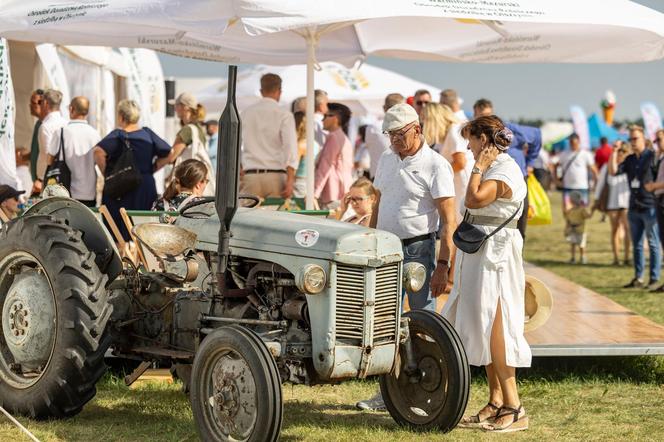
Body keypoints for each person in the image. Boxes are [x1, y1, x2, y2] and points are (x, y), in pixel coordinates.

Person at [356, 103, 456, 412]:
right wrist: (369, 239)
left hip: (418, 248)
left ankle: (431, 387)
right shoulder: (387, 158)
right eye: (390, 135)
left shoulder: (436, 165)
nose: (395, 142)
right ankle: (389, 392)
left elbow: (449, 220)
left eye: (400, 135)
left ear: (418, 130)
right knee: (386, 320)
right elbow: (379, 202)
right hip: (385, 248)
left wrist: (443, 266)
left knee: (423, 321)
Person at [443, 115, 530, 433]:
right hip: (480, 254)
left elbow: (474, 199)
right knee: (483, 323)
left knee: (498, 325)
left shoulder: (503, 169)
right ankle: (495, 400)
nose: (467, 145)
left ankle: (514, 406)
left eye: (471, 139)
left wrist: (477, 167)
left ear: (484, 139)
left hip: (497, 258)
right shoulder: (495, 167)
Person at [94, 99, 172, 240]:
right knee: (143, 227)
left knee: (117, 229)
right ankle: (140, 257)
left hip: (120, 186)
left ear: (121, 116)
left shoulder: (118, 135)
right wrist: (152, 168)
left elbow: (98, 152)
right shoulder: (147, 134)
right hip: (144, 185)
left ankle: (124, 255)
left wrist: (107, 173)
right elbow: (169, 153)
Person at [473, 98, 542, 240]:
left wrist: (530, 162)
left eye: (487, 115)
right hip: (489, 175)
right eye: (480, 117)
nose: (484, 120)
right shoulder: (475, 133)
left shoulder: (508, 129)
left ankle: (518, 256)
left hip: (516, 177)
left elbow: (536, 135)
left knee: (519, 220)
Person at [610, 125, 661, 289]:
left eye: (635, 139)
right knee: (637, 244)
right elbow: (613, 172)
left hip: (650, 205)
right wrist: (614, 151)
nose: (632, 142)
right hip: (633, 206)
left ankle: (654, 278)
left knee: (653, 243)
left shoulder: (652, 157)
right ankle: (638, 278)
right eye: (630, 139)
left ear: (643, 139)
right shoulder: (630, 159)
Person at [239, 73, 298, 199]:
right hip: (275, 176)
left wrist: (240, 166)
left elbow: (235, 145)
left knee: (248, 218)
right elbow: (290, 148)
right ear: (279, 91)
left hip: (251, 175)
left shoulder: (245, 113)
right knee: (275, 218)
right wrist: (290, 180)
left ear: (261, 91)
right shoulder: (284, 115)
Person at [420, 102, 473, 219]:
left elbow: (460, 162)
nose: (423, 123)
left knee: (460, 220)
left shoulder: (454, 130)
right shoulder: (450, 131)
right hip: (459, 182)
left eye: (425, 119)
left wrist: (438, 173)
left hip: (463, 183)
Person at [46, 97, 100, 207]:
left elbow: (49, 160)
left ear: (71, 109)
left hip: (66, 190)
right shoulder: (95, 134)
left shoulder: (61, 132)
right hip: (89, 192)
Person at [157, 92, 214, 195]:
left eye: (177, 105)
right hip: (196, 180)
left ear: (186, 107)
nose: (175, 108)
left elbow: (171, 156)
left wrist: (154, 166)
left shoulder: (188, 130)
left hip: (186, 182)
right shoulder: (199, 129)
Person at [594, 142, 631, 265]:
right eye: (619, 153)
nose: (621, 155)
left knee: (627, 229)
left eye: (623, 153)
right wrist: (596, 199)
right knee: (614, 229)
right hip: (612, 202)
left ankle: (626, 257)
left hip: (626, 201)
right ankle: (616, 258)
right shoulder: (607, 166)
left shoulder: (629, 166)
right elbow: (600, 183)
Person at [314, 103, 354, 209]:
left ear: (335, 118)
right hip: (344, 189)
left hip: (334, 192)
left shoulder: (334, 137)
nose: (322, 120)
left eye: (325, 116)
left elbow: (325, 166)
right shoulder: (343, 138)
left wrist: (315, 193)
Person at [364, 93, 404, 179]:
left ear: (384, 108)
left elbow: (368, 146)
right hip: (398, 177)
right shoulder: (407, 128)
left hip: (377, 176)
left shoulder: (372, 128)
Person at [555, 133, 598, 211]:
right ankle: (569, 223)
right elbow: (557, 165)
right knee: (567, 209)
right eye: (571, 143)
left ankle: (578, 223)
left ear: (579, 142)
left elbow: (594, 169)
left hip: (582, 187)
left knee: (582, 210)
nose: (572, 144)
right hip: (568, 186)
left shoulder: (586, 154)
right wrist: (556, 179)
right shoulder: (564, 154)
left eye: (574, 143)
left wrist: (596, 182)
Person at [37, 89, 67, 191]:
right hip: (64, 175)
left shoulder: (46, 126)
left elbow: (47, 157)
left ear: (45, 103)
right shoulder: (66, 123)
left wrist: (40, 180)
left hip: (49, 177)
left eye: (40, 102)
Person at [292, 111, 320, 198]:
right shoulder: (315, 144)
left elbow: (293, 168)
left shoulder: (301, 145)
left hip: (298, 183)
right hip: (309, 182)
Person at [564, 191, 594, 264]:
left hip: (580, 230)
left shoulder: (582, 210)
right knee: (573, 244)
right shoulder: (570, 210)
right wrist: (566, 230)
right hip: (572, 230)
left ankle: (582, 257)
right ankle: (573, 258)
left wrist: (592, 211)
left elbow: (588, 216)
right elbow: (568, 220)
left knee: (581, 245)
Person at [27, 89, 44, 194]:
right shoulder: (38, 124)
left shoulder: (46, 126)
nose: (30, 106)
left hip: (42, 184)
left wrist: (41, 179)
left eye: (33, 103)